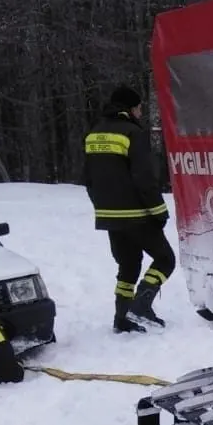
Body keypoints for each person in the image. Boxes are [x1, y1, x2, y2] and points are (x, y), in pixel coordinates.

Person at [83, 85, 175, 333]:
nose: (141, 111)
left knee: (128, 266)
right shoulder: (133, 133)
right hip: (137, 216)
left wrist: (104, 208)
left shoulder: (94, 134)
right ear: (130, 108)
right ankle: (141, 306)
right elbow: (144, 178)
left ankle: (121, 318)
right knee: (166, 260)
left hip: (110, 218)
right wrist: (159, 211)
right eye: (139, 107)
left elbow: (88, 179)